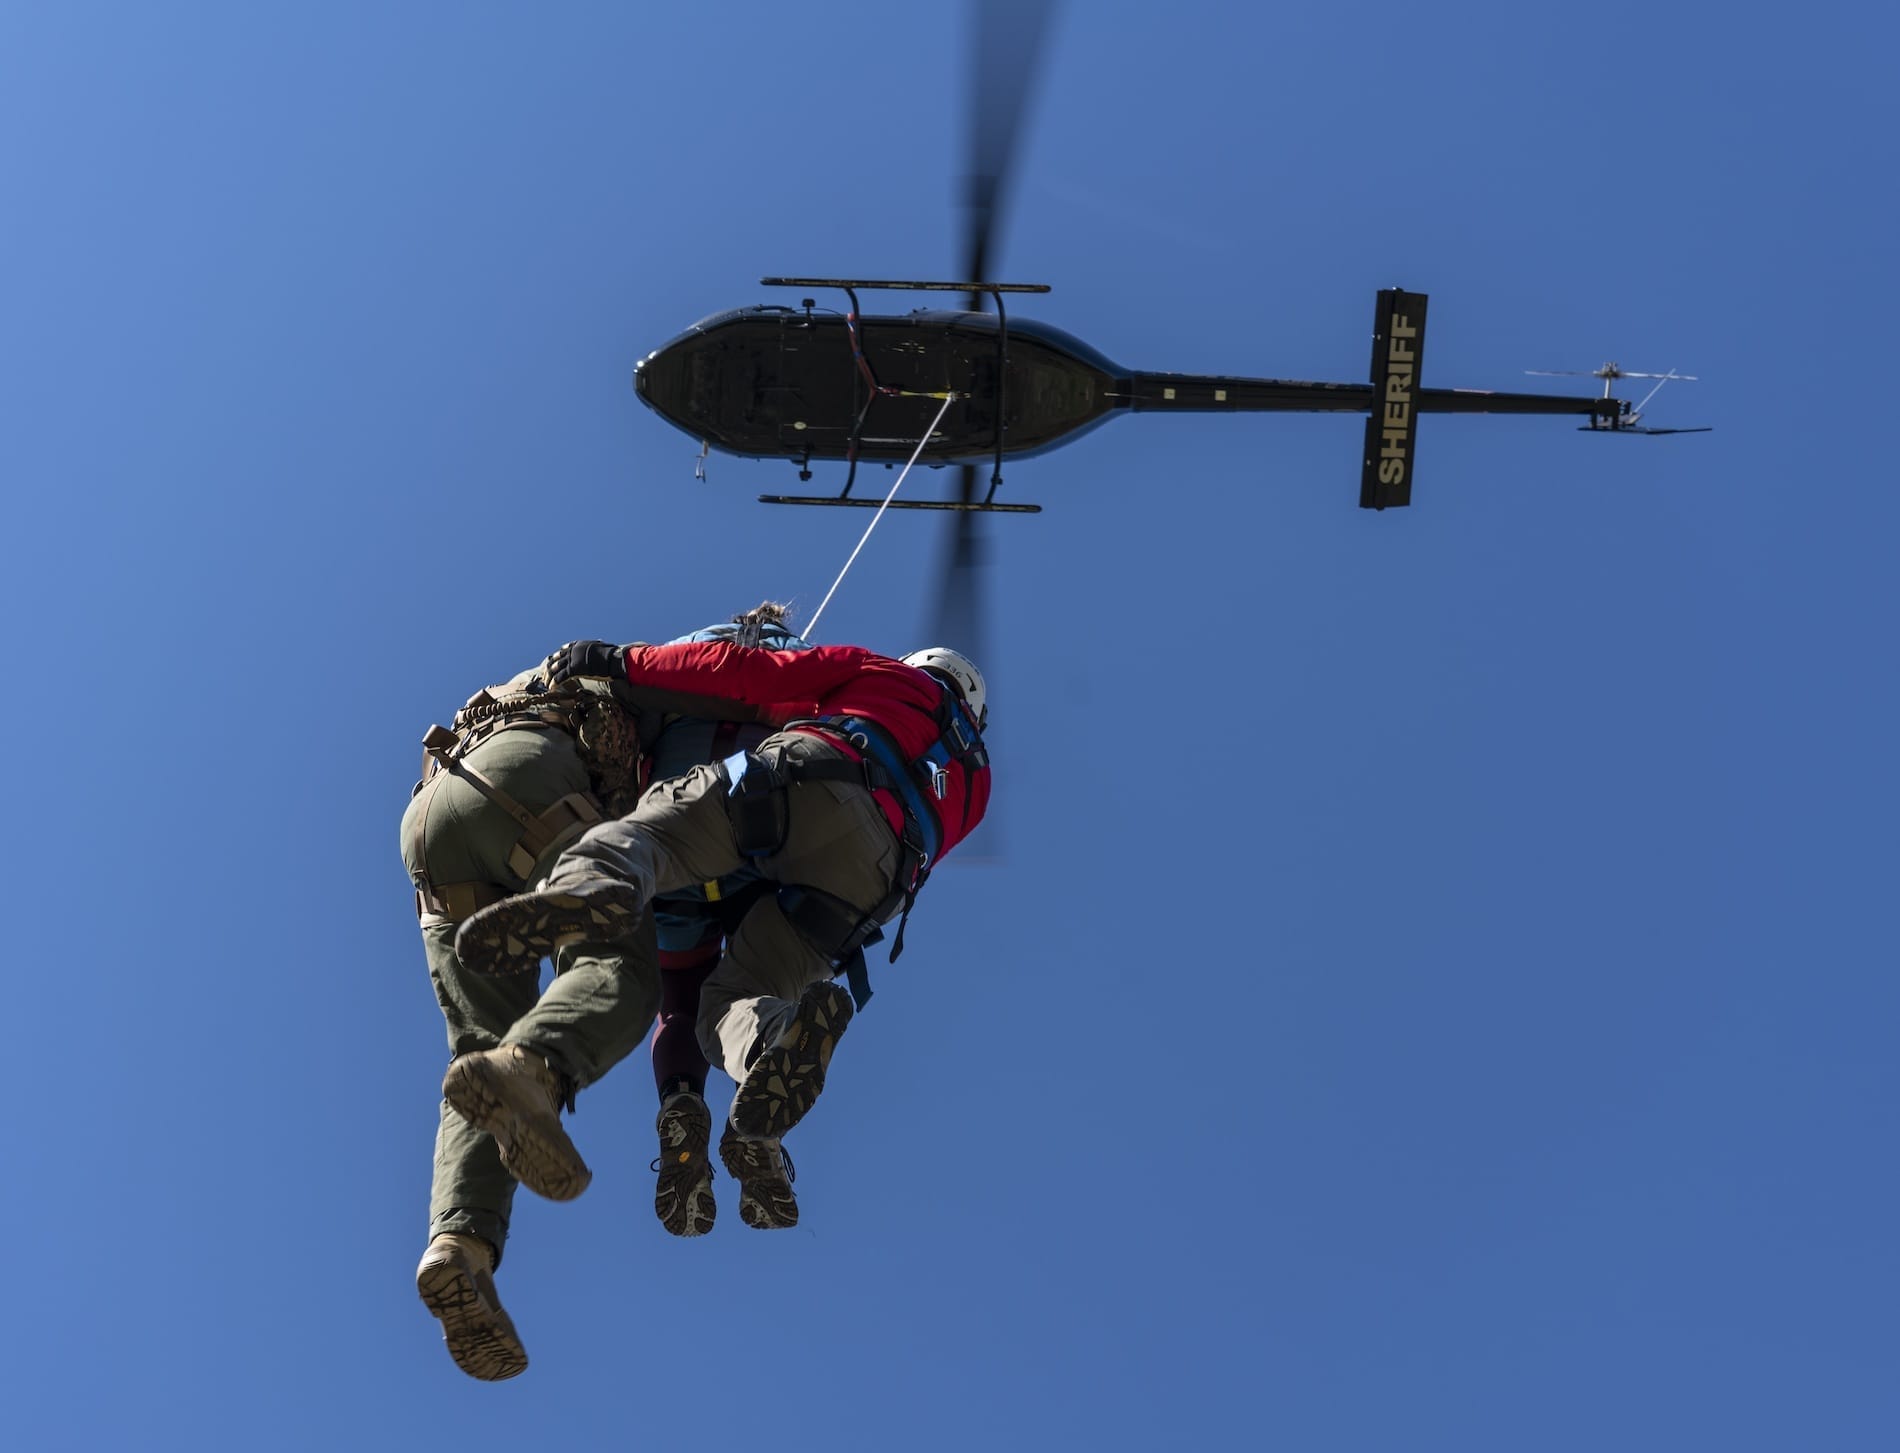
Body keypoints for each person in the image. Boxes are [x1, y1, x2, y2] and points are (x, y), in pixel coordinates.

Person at [451, 637, 991, 1249]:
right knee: (730, 1000)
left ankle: (590, 891)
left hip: (806, 781)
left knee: (653, 837)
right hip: (865, 892)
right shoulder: (979, 785)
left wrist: (620, 664)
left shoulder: (888, 676)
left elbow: (753, 673)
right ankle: (769, 1042)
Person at [399, 609, 786, 1381]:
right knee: (621, 972)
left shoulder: (576, 671)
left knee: (478, 1055)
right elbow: (681, 777)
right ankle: (539, 1067)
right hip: (526, 783)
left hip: (431, 816)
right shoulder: (677, 674)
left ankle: (459, 1246)